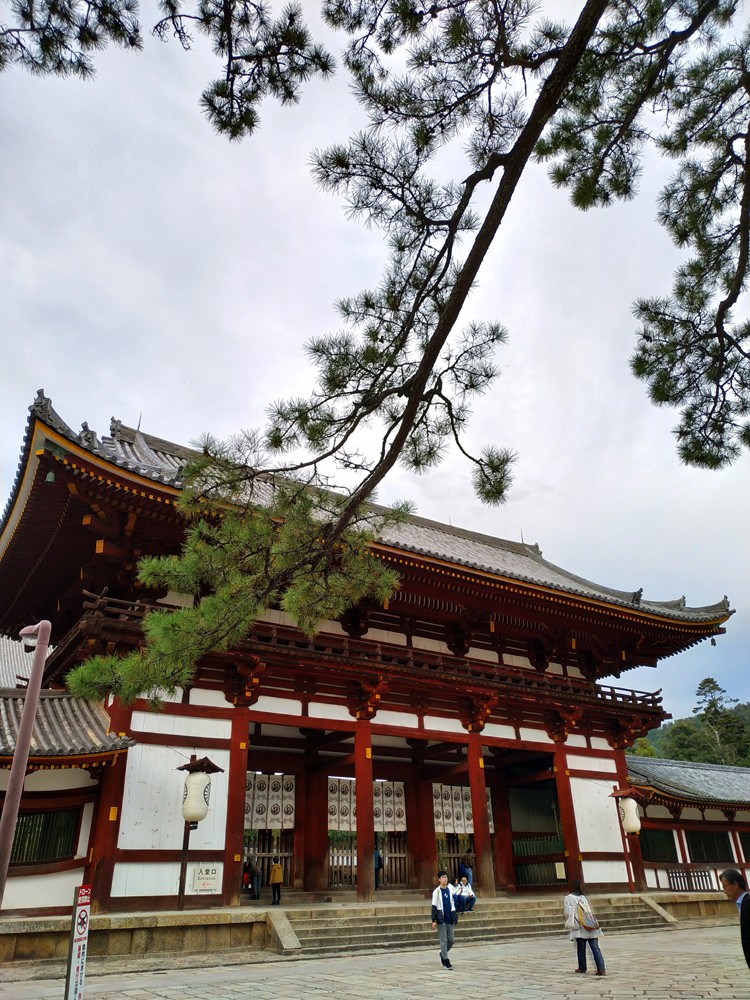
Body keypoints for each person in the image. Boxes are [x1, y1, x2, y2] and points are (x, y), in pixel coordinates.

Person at [563, 879, 605, 975]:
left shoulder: (568, 898)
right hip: (589, 924)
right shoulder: (583, 897)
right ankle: (601, 968)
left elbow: (566, 912)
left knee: (581, 948)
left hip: (579, 925)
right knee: (595, 948)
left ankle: (582, 967)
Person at [720, 868, 750, 969]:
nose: (724, 891)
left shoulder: (748, 904)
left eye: (725, 886)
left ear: (735, 885)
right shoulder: (742, 904)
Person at [431, 869, 458, 969]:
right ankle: (446, 961)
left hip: (449, 917)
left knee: (451, 940)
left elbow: (452, 904)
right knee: (443, 941)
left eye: (446, 877)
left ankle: (442, 952)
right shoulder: (436, 892)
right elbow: (434, 906)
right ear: (439, 879)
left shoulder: (449, 890)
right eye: (443, 877)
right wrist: (433, 920)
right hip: (441, 919)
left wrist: (455, 916)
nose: (445, 879)